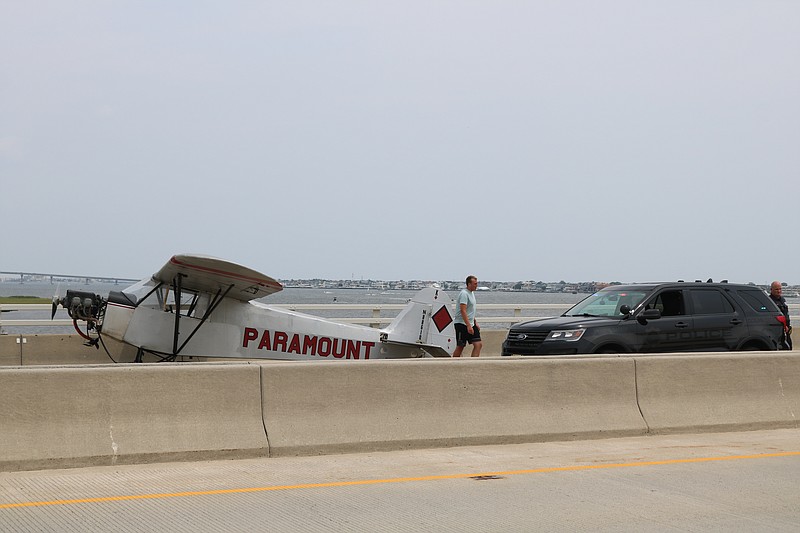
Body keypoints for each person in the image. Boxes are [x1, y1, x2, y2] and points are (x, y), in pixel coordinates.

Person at [453, 275, 482, 357]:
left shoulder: (471, 293)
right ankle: (453, 364)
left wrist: (475, 322)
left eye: (477, 284)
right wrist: (468, 326)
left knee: (478, 344)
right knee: (460, 346)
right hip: (461, 324)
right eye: (475, 284)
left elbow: (470, 310)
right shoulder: (464, 294)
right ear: (469, 284)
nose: (476, 286)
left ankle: (473, 363)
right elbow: (463, 310)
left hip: (471, 323)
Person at [769, 281, 792, 350]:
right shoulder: (769, 301)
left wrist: (788, 326)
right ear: (771, 290)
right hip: (777, 329)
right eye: (776, 289)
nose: (779, 291)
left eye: (780, 289)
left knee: (789, 346)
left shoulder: (782, 300)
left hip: (786, 330)